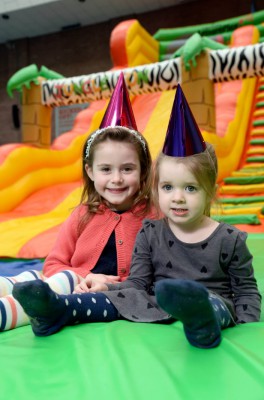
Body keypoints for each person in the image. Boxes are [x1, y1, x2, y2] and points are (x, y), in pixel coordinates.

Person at [13, 85, 261, 349]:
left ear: (210, 192)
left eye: (190, 188)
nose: (177, 197)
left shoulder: (230, 239)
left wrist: (248, 329)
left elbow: (245, 290)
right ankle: (58, 309)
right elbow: (137, 283)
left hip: (213, 302)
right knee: (116, 299)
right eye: (167, 188)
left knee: (211, 305)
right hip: (151, 299)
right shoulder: (150, 230)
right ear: (156, 187)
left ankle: (200, 322)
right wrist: (106, 289)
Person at [0, 73, 155, 331]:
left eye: (127, 169)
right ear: (91, 171)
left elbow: (151, 277)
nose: (116, 179)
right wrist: (84, 275)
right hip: (66, 280)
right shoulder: (83, 214)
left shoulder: (152, 218)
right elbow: (52, 264)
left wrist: (98, 282)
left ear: (143, 172)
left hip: (104, 294)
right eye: (106, 169)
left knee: (54, 287)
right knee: (30, 279)